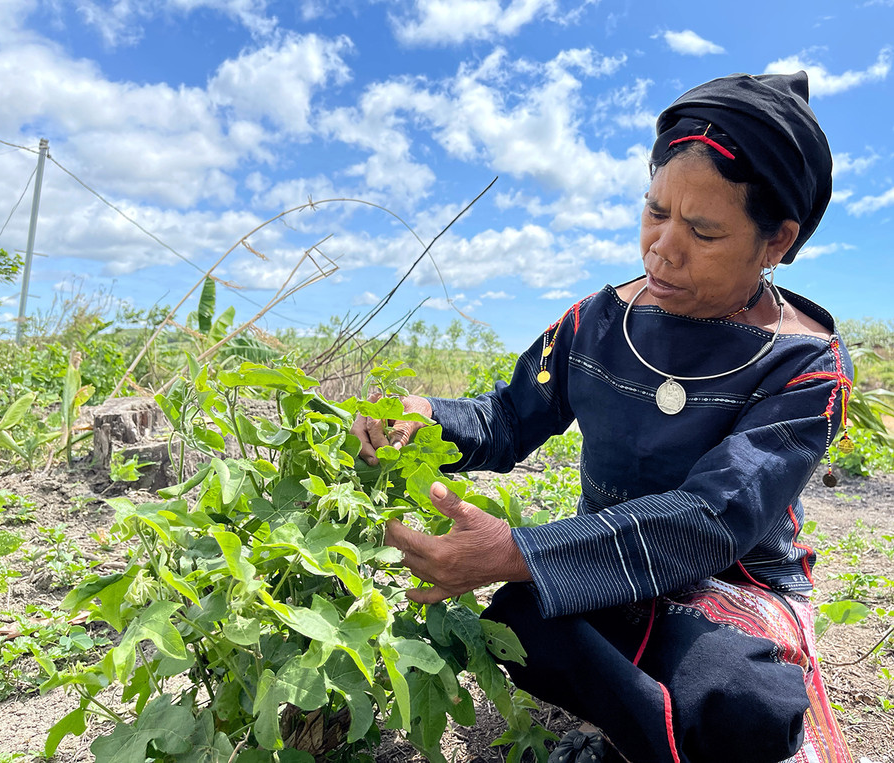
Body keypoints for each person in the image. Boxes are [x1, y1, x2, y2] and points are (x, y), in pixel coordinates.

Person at [352, 72, 854, 763]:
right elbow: (505, 417)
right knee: (521, 621)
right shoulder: (595, 324)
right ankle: (637, 729)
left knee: (744, 703)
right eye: (655, 212)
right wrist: (423, 416)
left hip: (725, 587)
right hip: (606, 569)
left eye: (703, 231)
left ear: (777, 241)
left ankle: (629, 736)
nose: (662, 248)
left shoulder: (807, 366)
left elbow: (712, 517)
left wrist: (518, 552)